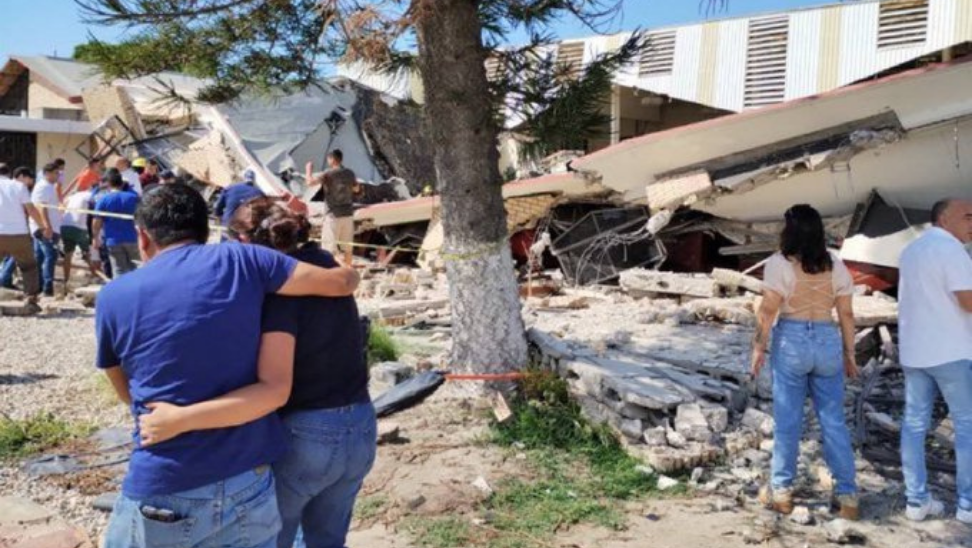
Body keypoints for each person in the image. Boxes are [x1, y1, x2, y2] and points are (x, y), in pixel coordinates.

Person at [95, 183, 360, 548]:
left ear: (143, 237)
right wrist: (351, 274)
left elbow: (125, 390)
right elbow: (338, 284)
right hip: (248, 480)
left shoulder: (112, 296)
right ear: (207, 230)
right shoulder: (244, 260)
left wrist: (179, 417)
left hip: (167, 478)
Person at [752, 204, 859, 520]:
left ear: (789, 231)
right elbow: (847, 314)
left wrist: (758, 348)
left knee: (788, 420)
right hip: (827, 339)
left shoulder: (779, 264)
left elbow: (768, 310)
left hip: (793, 340)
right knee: (833, 420)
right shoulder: (836, 264)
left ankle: (782, 491)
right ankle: (848, 496)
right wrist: (849, 354)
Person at [897, 198, 972, 524]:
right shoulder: (953, 250)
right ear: (944, 218)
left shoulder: (910, 251)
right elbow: (968, 302)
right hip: (951, 352)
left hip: (915, 352)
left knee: (914, 425)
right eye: (967, 216)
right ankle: (967, 505)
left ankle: (917, 501)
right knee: (967, 427)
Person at [0, 164, 51, 308]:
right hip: (18, 233)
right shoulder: (18, 186)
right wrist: (43, 226)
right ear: (9, 173)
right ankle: (31, 299)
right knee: (28, 266)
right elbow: (31, 209)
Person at [305, 150, 356, 265]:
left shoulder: (328, 174)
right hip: (348, 214)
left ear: (332, 159)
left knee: (329, 250)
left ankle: (331, 274)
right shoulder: (350, 173)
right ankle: (348, 273)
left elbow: (310, 183)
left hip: (333, 215)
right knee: (347, 249)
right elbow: (356, 189)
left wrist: (308, 169)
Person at [92, 169, 140, 276]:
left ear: (109, 185)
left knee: (118, 270)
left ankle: (120, 291)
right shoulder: (133, 198)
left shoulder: (103, 199)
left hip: (113, 240)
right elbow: (142, 217)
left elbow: (97, 221)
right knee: (137, 269)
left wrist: (95, 238)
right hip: (133, 238)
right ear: (122, 184)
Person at [28, 165, 63, 296]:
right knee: (51, 256)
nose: (58, 176)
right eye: (55, 173)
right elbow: (41, 208)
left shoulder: (47, 186)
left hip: (43, 227)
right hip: (45, 228)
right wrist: (47, 227)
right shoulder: (44, 187)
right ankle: (47, 288)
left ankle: (38, 286)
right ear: (47, 173)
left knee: (40, 257)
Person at [61, 184, 100, 284]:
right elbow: (96, 212)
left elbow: (63, 205)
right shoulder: (91, 195)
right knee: (87, 254)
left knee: (68, 254)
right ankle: (96, 276)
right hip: (79, 227)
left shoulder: (74, 196)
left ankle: (66, 280)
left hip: (64, 225)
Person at [214, 169, 265, 234]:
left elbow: (218, 206)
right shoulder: (259, 193)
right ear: (254, 180)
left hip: (228, 224)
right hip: (245, 229)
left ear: (243, 178)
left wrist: (219, 215)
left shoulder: (230, 188)